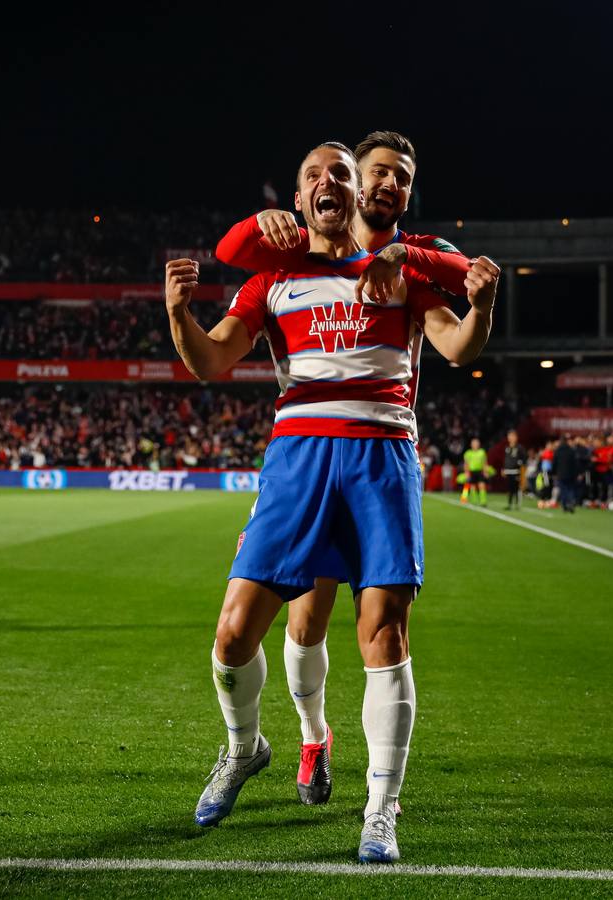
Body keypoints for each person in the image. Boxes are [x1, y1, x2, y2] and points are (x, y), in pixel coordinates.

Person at [167, 141, 499, 863]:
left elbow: (459, 348)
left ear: (356, 198)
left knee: (382, 633)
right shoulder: (273, 278)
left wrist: (482, 304)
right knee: (231, 636)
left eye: (341, 175)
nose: (329, 184)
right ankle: (244, 747)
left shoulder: (403, 271)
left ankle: (380, 809)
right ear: (296, 201)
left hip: (380, 456)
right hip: (297, 460)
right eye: (313, 176)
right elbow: (210, 361)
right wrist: (177, 313)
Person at [553, 436, 580, 513]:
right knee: (570, 489)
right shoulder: (571, 450)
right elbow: (575, 464)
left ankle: (565, 505)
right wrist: (576, 473)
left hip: (561, 474)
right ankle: (571, 502)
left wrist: (554, 472)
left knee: (563, 489)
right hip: (570, 474)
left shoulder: (558, 451)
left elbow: (554, 463)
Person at [502, 430, 527, 509]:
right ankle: (509, 504)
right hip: (508, 470)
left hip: (516, 471)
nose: (510, 438)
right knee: (509, 488)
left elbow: (524, 459)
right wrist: (504, 469)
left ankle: (517, 504)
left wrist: (520, 466)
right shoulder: (507, 448)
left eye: (512, 436)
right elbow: (506, 459)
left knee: (516, 488)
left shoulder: (520, 448)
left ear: (516, 437)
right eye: (509, 436)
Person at [461, 437, 488, 506]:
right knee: (469, 486)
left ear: (479, 444)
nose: (475, 445)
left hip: (479, 471)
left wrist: (485, 471)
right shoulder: (468, 453)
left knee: (482, 485)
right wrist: (466, 472)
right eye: (474, 443)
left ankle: (483, 501)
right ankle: (467, 499)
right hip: (471, 471)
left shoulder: (482, 452)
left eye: (476, 443)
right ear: (471, 445)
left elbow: (485, 463)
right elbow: (466, 464)